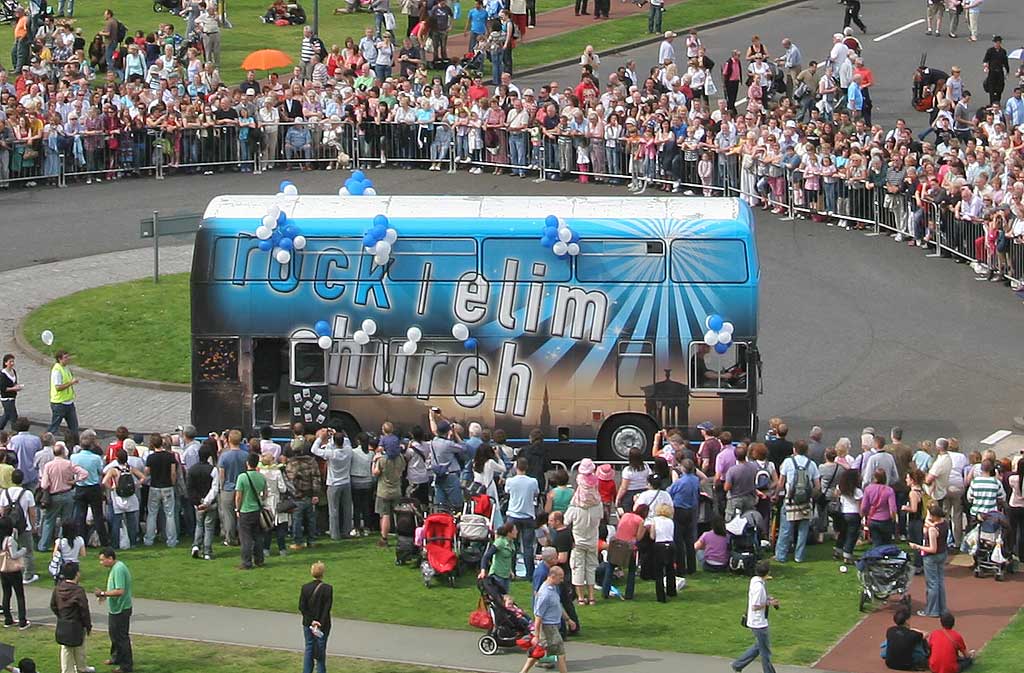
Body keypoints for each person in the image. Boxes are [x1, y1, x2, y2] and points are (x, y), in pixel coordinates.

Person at [519, 565, 574, 673]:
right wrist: (536, 635)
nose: (562, 580)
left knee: (538, 652)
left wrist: (568, 620)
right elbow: (538, 616)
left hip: (553, 626)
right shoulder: (545, 594)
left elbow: (558, 605)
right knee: (560, 653)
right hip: (549, 628)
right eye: (560, 577)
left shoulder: (553, 588)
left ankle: (523, 672)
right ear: (553, 576)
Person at [775, 441, 820, 563]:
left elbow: (781, 482)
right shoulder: (812, 465)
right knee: (803, 530)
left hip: (790, 499)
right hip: (806, 501)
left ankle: (781, 555)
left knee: (786, 529)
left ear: (794, 450)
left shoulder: (788, 462)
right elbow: (817, 486)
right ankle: (799, 556)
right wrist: (811, 496)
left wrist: (775, 494)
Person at [732, 559, 778, 673]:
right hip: (759, 623)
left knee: (759, 646)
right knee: (765, 652)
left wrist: (767, 598)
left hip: (756, 621)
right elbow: (755, 606)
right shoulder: (759, 587)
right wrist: (769, 603)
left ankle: (738, 664)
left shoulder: (755, 580)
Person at [50, 561, 93, 673]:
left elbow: (53, 605)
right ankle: (81, 668)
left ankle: (67, 670)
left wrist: (61, 616)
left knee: (66, 649)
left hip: (63, 624)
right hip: (77, 624)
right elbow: (84, 610)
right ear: (77, 574)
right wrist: (88, 626)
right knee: (79, 648)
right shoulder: (78, 591)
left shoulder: (58, 588)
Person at [96, 548, 132, 673]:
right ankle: (116, 657)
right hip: (115, 609)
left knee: (122, 638)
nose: (101, 563)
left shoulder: (119, 569)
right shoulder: (114, 568)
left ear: (110, 558)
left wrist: (103, 593)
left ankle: (126, 666)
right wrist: (105, 595)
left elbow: (120, 591)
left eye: (102, 560)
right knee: (114, 635)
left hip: (121, 609)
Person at [910, 503, 948, 618]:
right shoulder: (944, 523)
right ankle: (942, 608)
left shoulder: (932, 530)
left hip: (931, 557)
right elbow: (928, 521)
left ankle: (932, 610)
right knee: (940, 582)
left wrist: (917, 547)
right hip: (942, 554)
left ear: (934, 516)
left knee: (932, 584)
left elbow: (932, 548)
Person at [600, 503, 645, 599]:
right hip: (628, 547)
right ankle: (629, 594)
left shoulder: (625, 515)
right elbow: (639, 537)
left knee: (610, 568)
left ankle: (605, 592)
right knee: (632, 570)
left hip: (616, 544)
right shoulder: (640, 521)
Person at [299, 561, 334, 673]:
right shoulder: (328, 588)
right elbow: (327, 608)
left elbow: (302, 607)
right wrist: (319, 622)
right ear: (322, 573)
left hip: (308, 624)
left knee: (309, 647)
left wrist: (311, 621)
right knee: (321, 650)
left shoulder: (305, 588)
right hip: (323, 625)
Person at [235, 452, 267, 570]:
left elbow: (238, 496)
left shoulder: (242, 477)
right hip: (257, 510)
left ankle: (246, 562)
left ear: (247, 463)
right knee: (257, 536)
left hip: (245, 510)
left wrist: (237, 509)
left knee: (246, 538)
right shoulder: (261, 477)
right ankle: (259, 560)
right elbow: (265, 495)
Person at [0, 516, 28, 629]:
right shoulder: (9, 540)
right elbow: (13, 555)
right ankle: (22, 621)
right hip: (13, 570)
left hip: (3, 569)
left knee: (6, 594)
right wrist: (23, 550)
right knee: (19, 595)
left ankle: (8, 619)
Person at [862, 468, 899, 547]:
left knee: (876, 542)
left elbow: (864, 507)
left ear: (874, 478)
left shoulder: (868, 489)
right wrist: (894, 519)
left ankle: (877, 557)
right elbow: (892, 508)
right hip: (886, 520)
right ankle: (885, 557)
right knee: (887, 543)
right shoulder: (889, 490)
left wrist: (865, 516)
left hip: (873, 519)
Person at [835, 468, 863, 563]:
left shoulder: (841, 488)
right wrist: (862, 516)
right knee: (852, 535)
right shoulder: (857, 491)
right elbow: (860, 506)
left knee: (843, 533)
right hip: (854, 514)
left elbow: (836, 495)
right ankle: (847, 554)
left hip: (843, 513)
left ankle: (838, 550)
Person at [479, 523, 517, 593]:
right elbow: (486, 556)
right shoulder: (500, 542)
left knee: (505, 598)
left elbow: (508, 558)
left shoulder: (511, 543)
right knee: (498, 598)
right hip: (497, 575)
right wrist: (483, 570)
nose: (517, 532)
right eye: (515, 530)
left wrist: (510, 570)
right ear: (509, 533)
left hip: (506, 575)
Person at [48, 350, 80, 435]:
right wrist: (71, 383)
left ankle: (75, 445)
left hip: (69, 402)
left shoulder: (66, 368)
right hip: (59, 403)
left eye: (68, 357)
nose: (68, 359)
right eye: (65, 357)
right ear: (60, 359)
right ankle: (46, 441)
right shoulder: (57, 370)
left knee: (74, 428)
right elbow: (58, 387)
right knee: (54, 427)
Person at [0, 355, 23, 431]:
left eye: (13, 361)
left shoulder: (13, 371)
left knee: (6, 415)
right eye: (10, 362)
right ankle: (16, 432)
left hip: (13, 397)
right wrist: (14, 388)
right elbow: (3, 388)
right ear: (5, 363)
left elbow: (14, 383)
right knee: (13, 416)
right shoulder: (2, 374)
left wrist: (18, 386)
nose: (12, 363)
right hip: (6, 398)